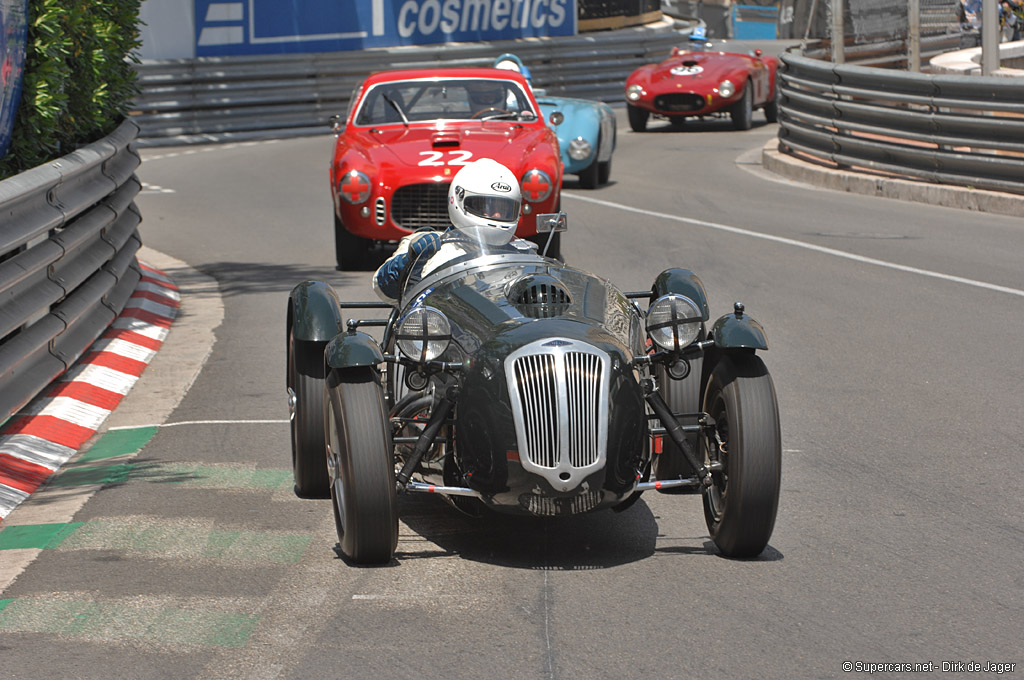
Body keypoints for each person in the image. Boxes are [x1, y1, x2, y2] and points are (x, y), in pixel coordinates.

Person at [373, 158, 536, 302]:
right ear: (459, 200)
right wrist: (410, 261)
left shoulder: (520, 256)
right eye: (488, 207)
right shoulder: (426, 245)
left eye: (505, 208)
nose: (498, 214)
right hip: (438, 331)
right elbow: (383, 289)